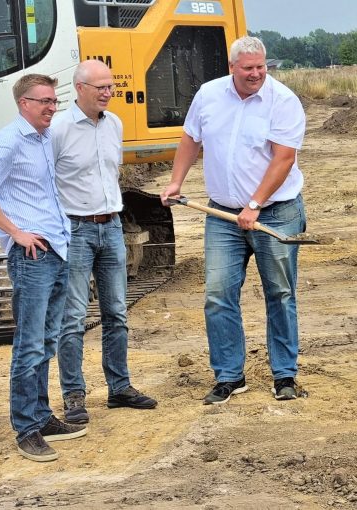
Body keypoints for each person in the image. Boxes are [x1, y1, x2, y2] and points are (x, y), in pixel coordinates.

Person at [160, 36, 307, 404]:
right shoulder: (209, 95)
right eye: (248, 68)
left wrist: (255, 204)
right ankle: (229, 376)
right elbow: (190, 140)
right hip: (222, 214)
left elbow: (283, 159)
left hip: (276, 211)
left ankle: (284, 375)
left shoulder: (284, 101)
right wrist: (176, 181)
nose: (257, 74)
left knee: (280, 293)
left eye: (261, 67)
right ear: (231, 68)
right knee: (218, 295)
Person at [0, 74, 86, 462]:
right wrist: (15, 232)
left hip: (56, 249)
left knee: (47, 341)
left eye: (54, 101)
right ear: (24, 104)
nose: (52, 107)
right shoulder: (9, 140)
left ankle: (42, 415)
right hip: (32, 257)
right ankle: (26, 428)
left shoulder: (44, 138)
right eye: (44, 101)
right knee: (30, 345)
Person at [51, 59, 157, 425]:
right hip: (75, 230)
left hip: (111, 226)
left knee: (117, 312)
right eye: (101, 88)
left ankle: (119, 387)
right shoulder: (58, 129)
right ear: (79, 88)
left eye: (111, 87)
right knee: (74, 317)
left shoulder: (114, 124)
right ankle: (73, 395)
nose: (109, 93)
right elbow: (44, 182)